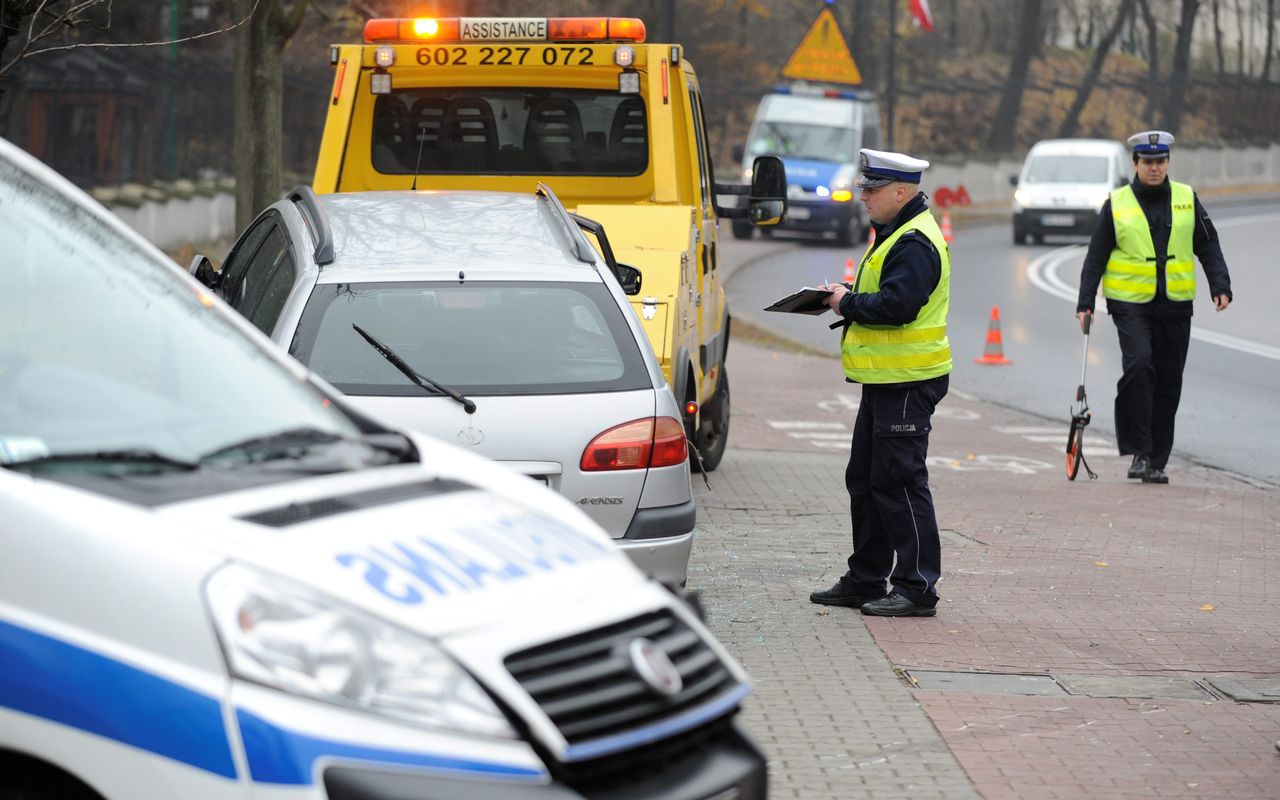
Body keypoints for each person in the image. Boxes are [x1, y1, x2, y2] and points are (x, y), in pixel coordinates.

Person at [809, 148, 952, 618]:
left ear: (900, 191)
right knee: (867, 481)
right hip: (889, 380)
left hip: (908, 383)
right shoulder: (896, 233)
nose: (863, 196)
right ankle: (866, 577)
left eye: (871, 189)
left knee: (900, 484)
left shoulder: (914, 242)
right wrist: (847, 298)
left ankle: (917, 588)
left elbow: (898, 306)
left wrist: (846, 304)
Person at [1076, 130, 1232, 484]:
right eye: (1147, 162)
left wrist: (1220, 285)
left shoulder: (1185, 199)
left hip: (1175, 306)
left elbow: (1208, 246)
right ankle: (1140, 453)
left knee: (1168, 383)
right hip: (1130, 304)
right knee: (1140, 367)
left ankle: (1157, 461)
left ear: (1167, 163)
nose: (1154, 168)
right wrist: (1085, 301)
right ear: (1135, 164)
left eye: (1160, 161)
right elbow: (1096, 256)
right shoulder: (1116, 204)